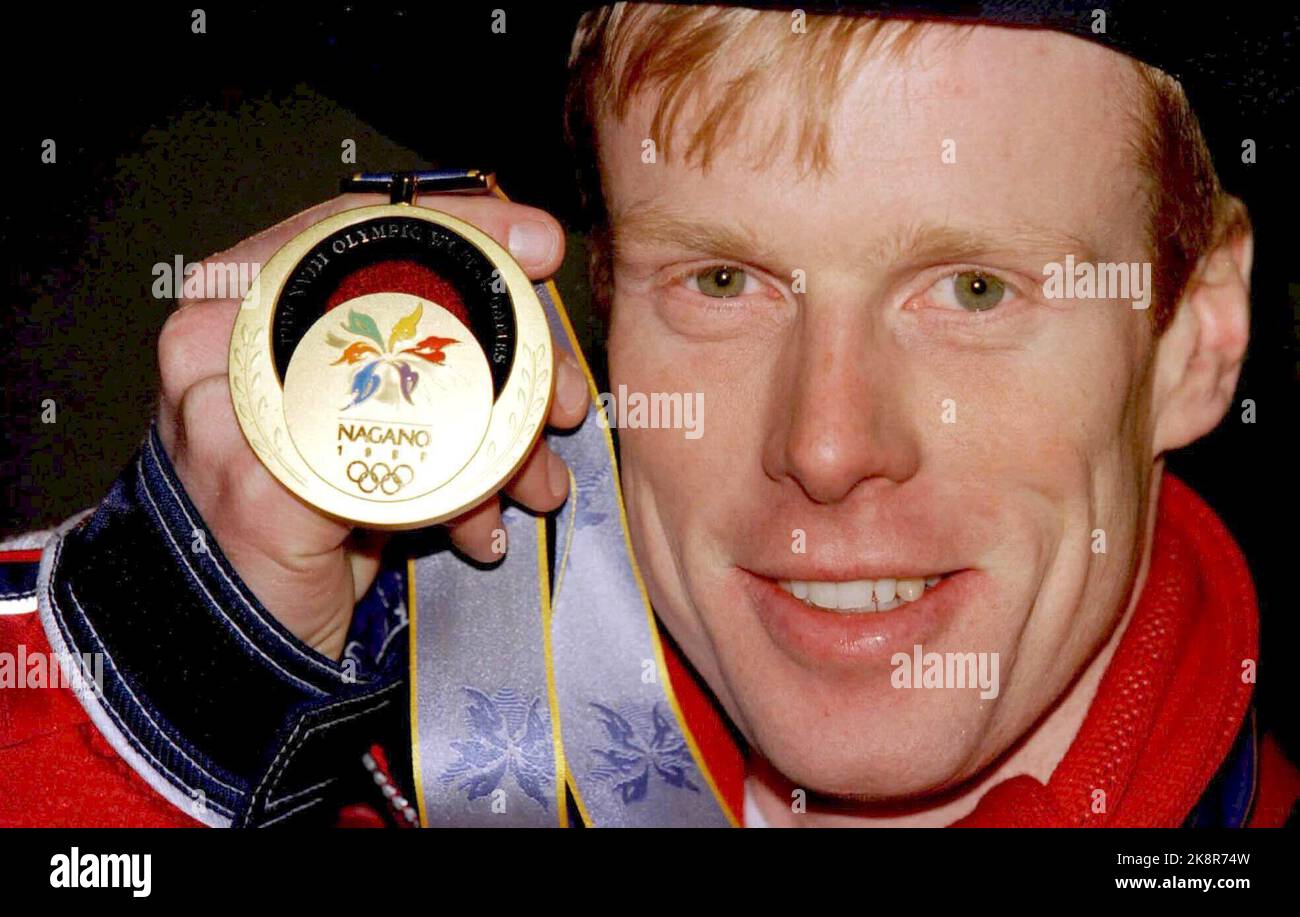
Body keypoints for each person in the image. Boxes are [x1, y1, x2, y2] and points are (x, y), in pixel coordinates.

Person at [1, 2, 1295, 827]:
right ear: (598, 309)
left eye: (971, 287)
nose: (827, 444)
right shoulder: (375, 740)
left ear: (1195, 339)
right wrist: (160, 688)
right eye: (723, 279)